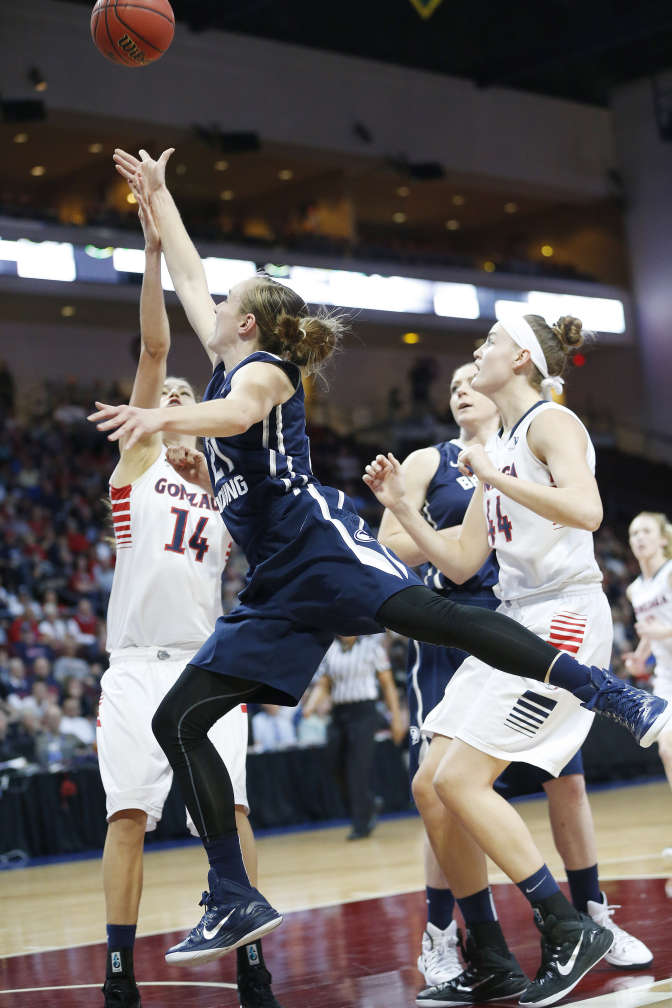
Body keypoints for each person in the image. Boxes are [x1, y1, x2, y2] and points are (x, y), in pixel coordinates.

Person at [92, 147, 668, 978]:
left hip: (316, 543)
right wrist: (162, 201)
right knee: (176, 719)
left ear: (247, 322)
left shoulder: (262, 372)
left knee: (447, 619)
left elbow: (239, 410)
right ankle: (233, 892)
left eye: (226, 304)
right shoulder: (228, 352)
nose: (210, 307)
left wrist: (161, 421)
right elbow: (188, 273)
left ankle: (606, 691)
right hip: (273, 587)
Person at [368, 313, 654, 1005]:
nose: (477, 355)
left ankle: (566, 924)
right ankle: (491, 956)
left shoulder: (551, 424)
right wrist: (403, 511)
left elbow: (586, 511)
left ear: (521, 358)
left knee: (465, 780)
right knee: (431, 782)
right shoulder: (494, 447)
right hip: (511, 621)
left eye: (488, 344)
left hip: (563, 614)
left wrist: (495, 474)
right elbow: (464, 559)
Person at [96, 188, 282, 1008]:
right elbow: (155, 343)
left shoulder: (226, 490)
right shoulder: (134, 468)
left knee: (233, 810)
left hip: (209, 666)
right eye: (166, 399)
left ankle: (250, 962)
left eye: (184, 397)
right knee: (127, 819)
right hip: (137, 671)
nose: (175, 401)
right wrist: (148, 255)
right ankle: (117, 973)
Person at [303, 634, 404, 839]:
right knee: (333, 763)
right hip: (339, 712)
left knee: (357, 768)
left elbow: (387, 684)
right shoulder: (330, 649)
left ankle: (361, 823)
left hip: (364, 713)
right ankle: (369, 802)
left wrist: (396, 718)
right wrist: (310, 705)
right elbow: (323, 683)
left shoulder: (371, 647)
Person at [626, 512, 672, 824]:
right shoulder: (634, 590)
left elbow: (660, 628)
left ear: (663, 539)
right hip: (666, 676)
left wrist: (663, 633)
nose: (639, 537)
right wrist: (641, 657)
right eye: (633, 533)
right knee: (668, 750)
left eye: (646, 531)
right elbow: (648, 629)